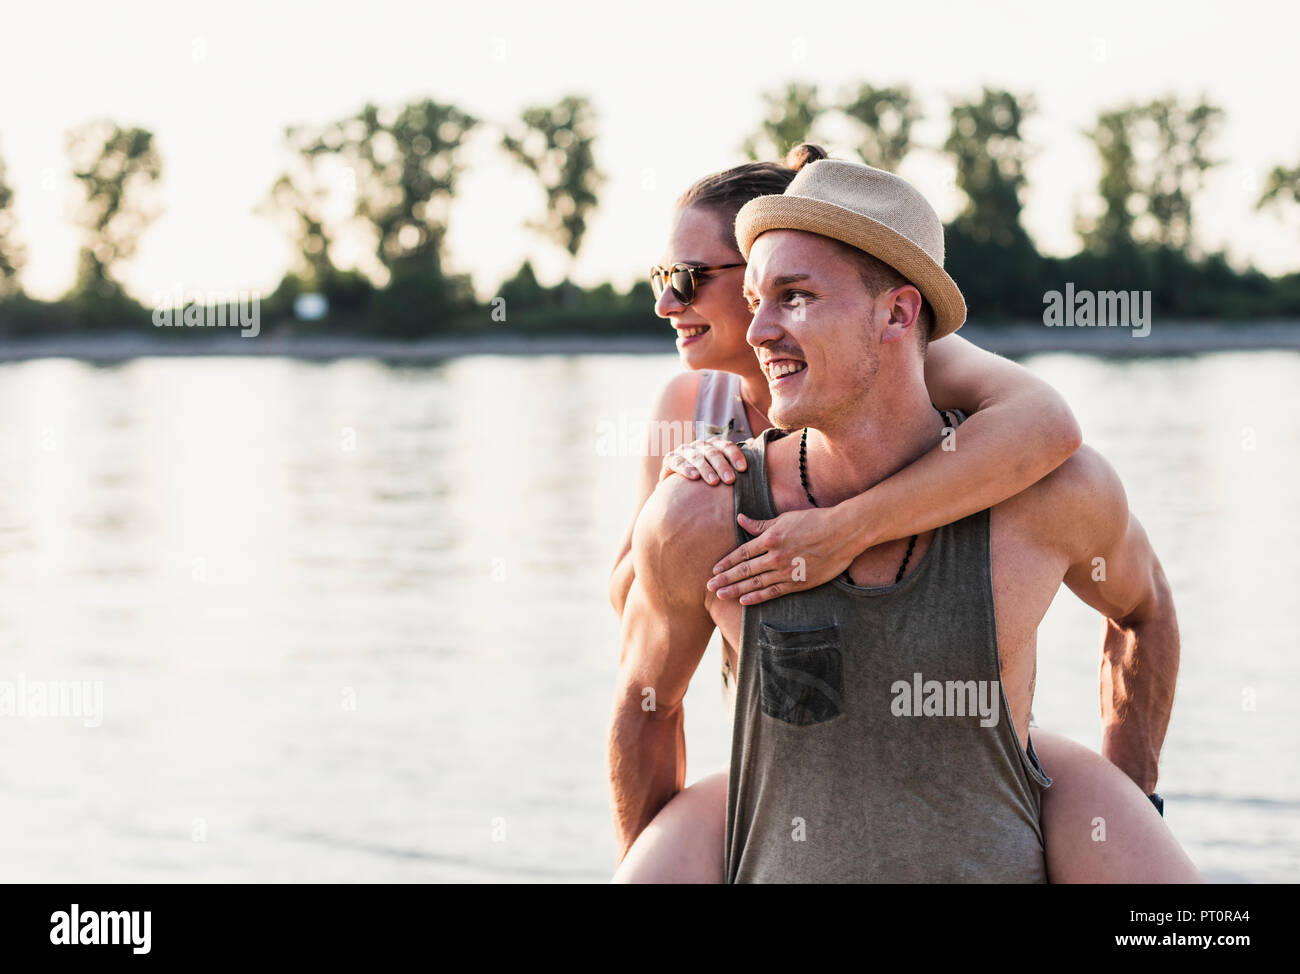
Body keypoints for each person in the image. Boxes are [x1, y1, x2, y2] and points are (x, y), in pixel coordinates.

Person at [608, 152, 1200, 882]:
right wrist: (683, 517)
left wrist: (1129, 804)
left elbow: (1054, 431)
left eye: (793, 295)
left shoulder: (1031, 468)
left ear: (897, 313)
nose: (759, 330)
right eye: (760, 297)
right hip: (779, 767)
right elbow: (642, 684)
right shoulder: (696, 462)